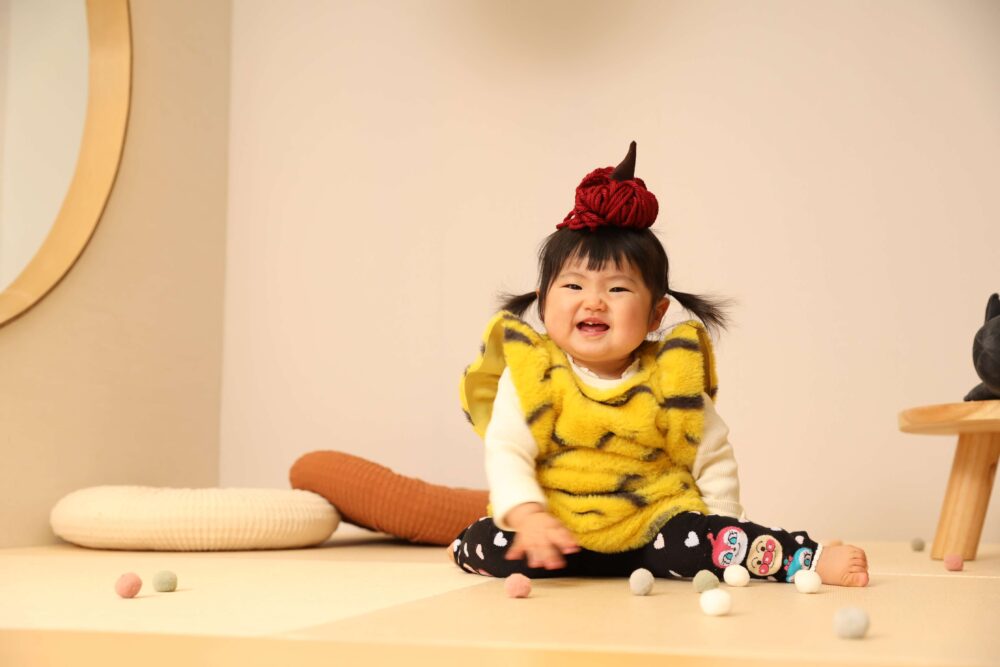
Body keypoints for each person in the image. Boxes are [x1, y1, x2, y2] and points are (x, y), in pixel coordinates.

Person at [290, 142, 868, 587]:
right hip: (558, 529)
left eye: (617, 288)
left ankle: (806, 558)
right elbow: (509, 450)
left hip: (652, 525)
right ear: (544, 303)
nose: (593, 301)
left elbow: (711, 455)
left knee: (714, 545)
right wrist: (527, 513)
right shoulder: (536, 374)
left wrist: (723, 530)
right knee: (496, 545)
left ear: (656, 312)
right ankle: (469, 542)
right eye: (573, 286)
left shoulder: (671, 377)